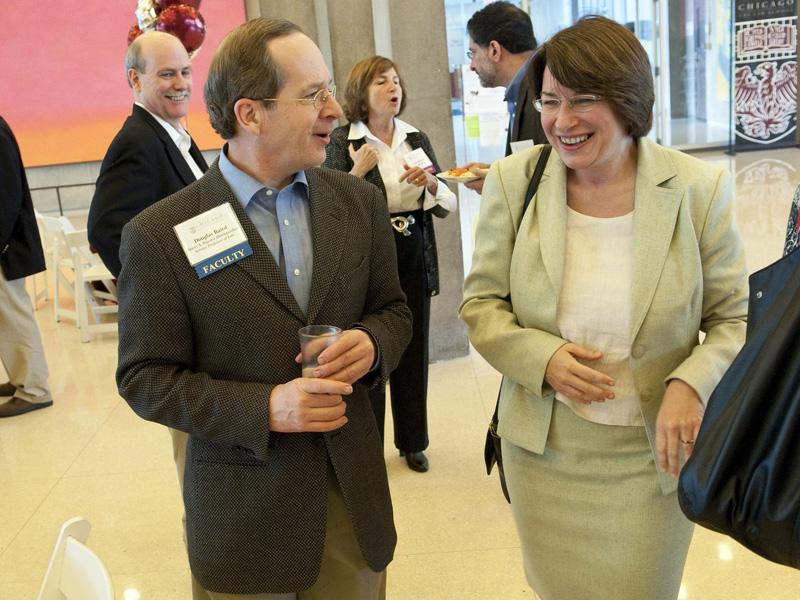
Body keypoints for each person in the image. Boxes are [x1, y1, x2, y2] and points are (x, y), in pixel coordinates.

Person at [116, 17, 412, 600]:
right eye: (313, 95)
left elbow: (394, 312)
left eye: (329, 89)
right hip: (241, 512)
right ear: (250, 115)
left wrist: (374, 344)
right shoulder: (161, 233)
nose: (334, 109)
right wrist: (265, 407)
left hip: (351, 498)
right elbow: (145, 379)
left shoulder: (357, 203)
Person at [459, 16, 748, 600]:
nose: (562, 122)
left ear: (629, 101)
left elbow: (734, 320)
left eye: (583, 100)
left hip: (654, 454)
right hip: (546, 453)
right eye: (548, 102)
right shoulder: (517, 183)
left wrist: (690, 384)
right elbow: (482, 304)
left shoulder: (696, 189)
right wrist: (543, 357)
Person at [324, 56, 456, 473]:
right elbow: (328, 206)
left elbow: (447, 203)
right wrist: (357, 173)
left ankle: (413, 442)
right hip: (368, 254)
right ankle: (370, 444)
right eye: (382, 82)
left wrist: (433, 183)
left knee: (414, 350)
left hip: (414, 247)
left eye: (396, 81)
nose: (393, 89)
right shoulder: (344, 139)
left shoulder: (415, 137)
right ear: (362, 92)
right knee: (371, 349)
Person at [88, 30, 208, 278]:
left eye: (185, 72)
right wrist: (158, 292)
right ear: (136, 79)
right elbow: (106, 231)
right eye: (167, 74)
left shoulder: (174, 135)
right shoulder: (136, 142)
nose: (181, 84)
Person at [460, 1, 546, 193]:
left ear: (494, 50)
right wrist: (497, 173)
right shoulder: (525, 89)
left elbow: (551, 175)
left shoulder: (544, 90)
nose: (472, 65)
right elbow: (532, 164)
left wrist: (497, 184)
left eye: (473, 53)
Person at [0, 116, 52, 418]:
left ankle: (34, 389)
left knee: (14, 315)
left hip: (5, 246)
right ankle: (21, 378)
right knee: (7, 316)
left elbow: (6, 195)